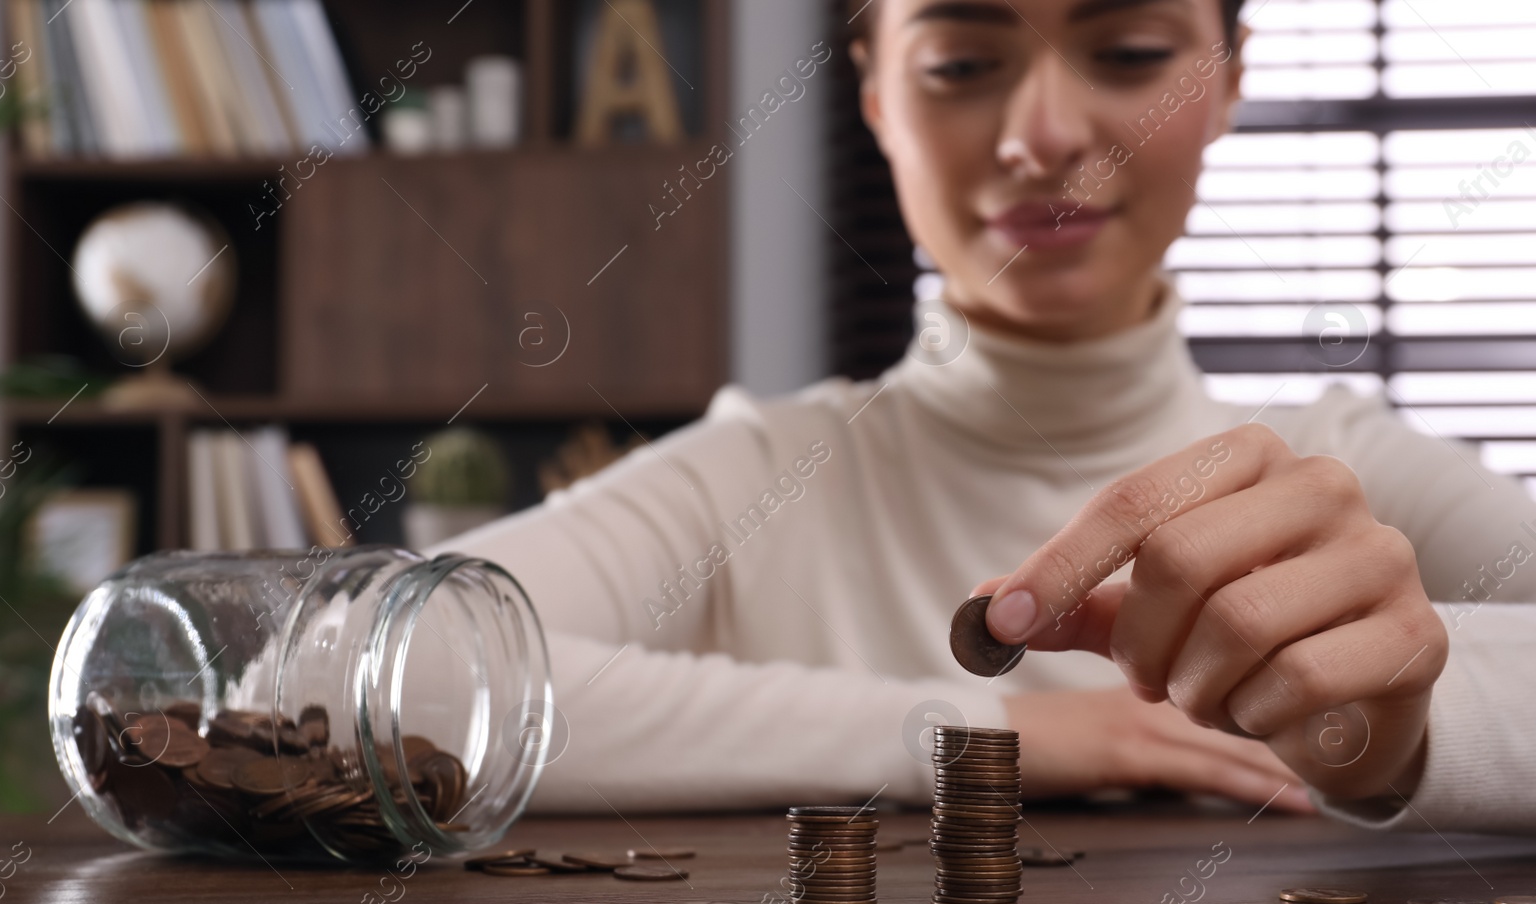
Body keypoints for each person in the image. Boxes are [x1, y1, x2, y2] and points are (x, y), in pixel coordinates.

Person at [437, 0, 1536, 834]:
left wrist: (1411, 722)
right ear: (875, 98)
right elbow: (359, 673)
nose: (1044, 135)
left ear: (1229, 79)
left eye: (1129, 54)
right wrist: (982, 734)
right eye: (962, 64)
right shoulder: (751, 475)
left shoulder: (1349, 474)